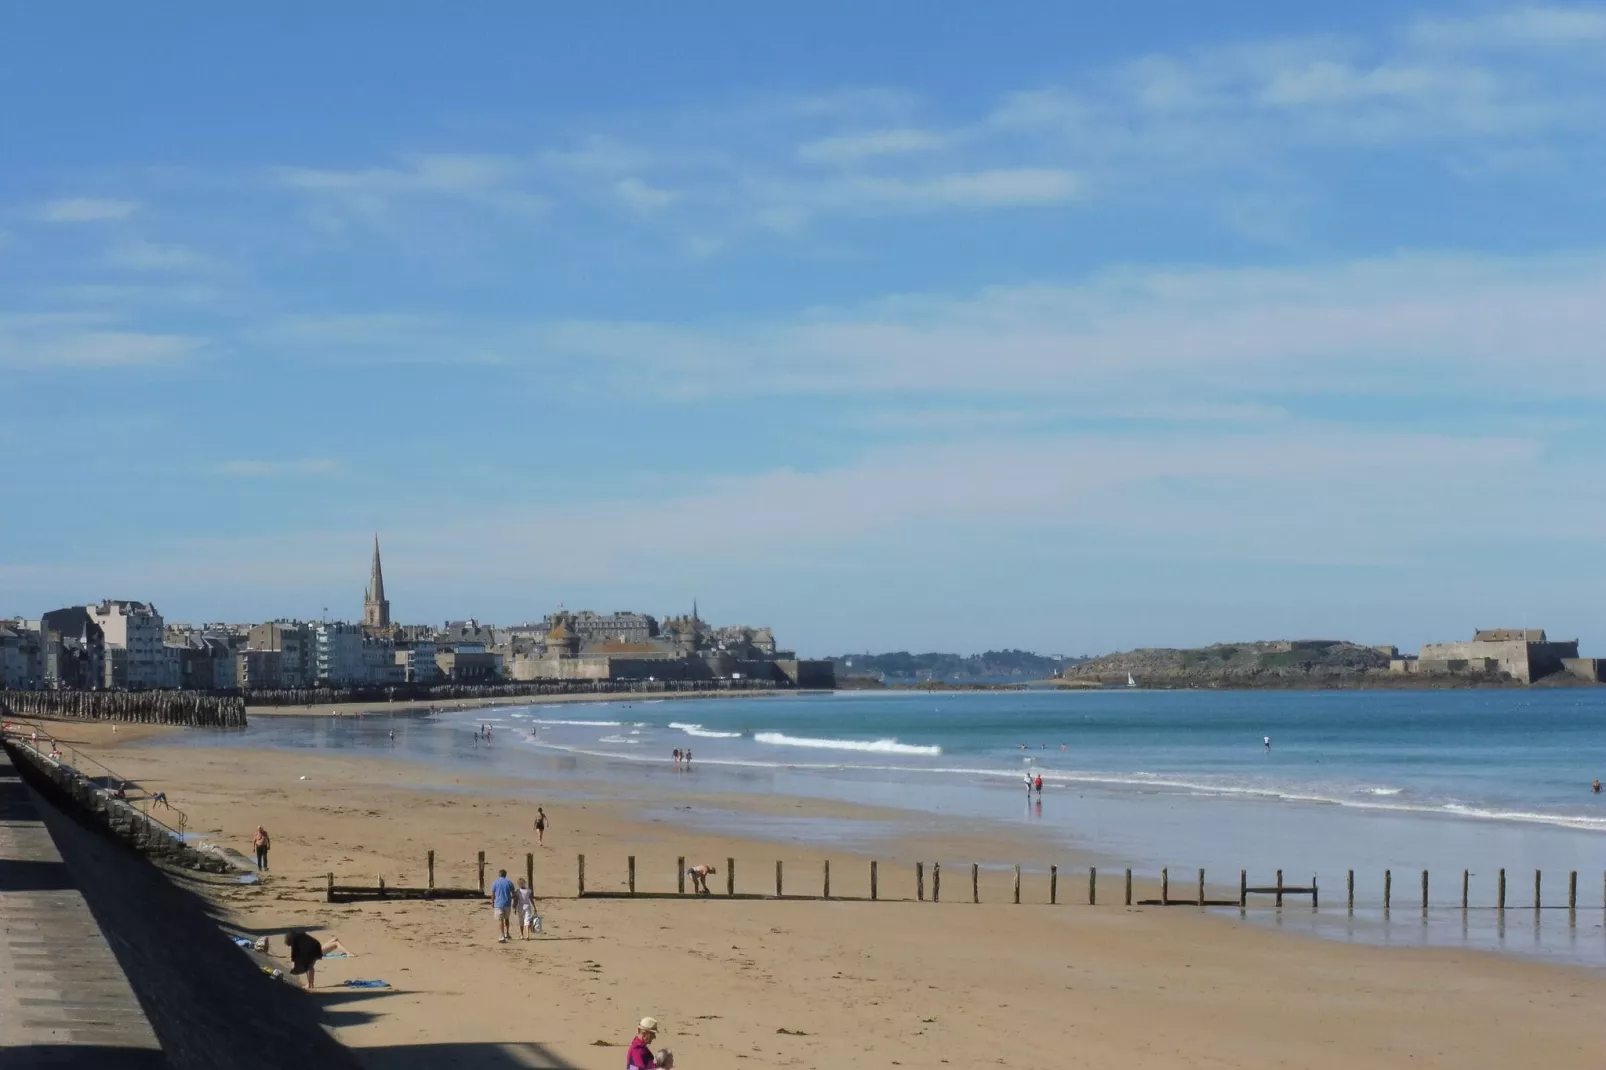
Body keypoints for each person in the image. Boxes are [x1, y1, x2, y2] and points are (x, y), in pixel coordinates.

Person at [490, 868, 517, 943]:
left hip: (498, 903)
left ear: (499, 875)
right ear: (505, 875)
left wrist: (492, 902)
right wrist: (514, 903)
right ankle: (507, 933)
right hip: (507, 903)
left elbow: (493, 893)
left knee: (500, 920)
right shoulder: (509, 882)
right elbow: (513, 893)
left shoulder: (495, 882)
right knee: (507, 919)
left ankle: (502, 935)